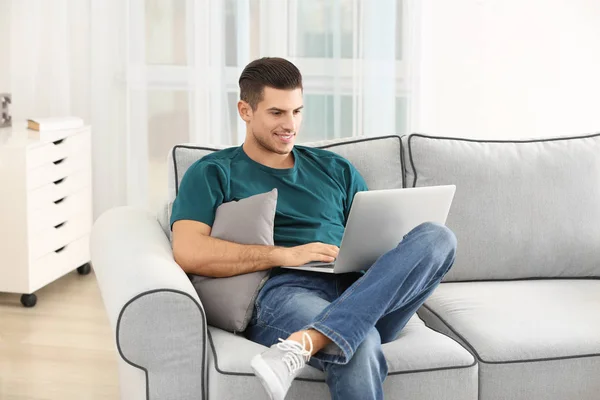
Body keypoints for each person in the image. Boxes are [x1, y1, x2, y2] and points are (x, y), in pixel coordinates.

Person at [170, 57, 457, 400]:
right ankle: (331, 333)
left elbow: (376, 236)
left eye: (297, 111)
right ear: (245, 110)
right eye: (277, 113)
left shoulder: (335, 168)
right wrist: (285, 254)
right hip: (286, 291)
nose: (290, 124)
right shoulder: (213, 172)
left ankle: (308, 341)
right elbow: (187, 250)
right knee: (357, 342)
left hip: (365, 289)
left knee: (439, 237)